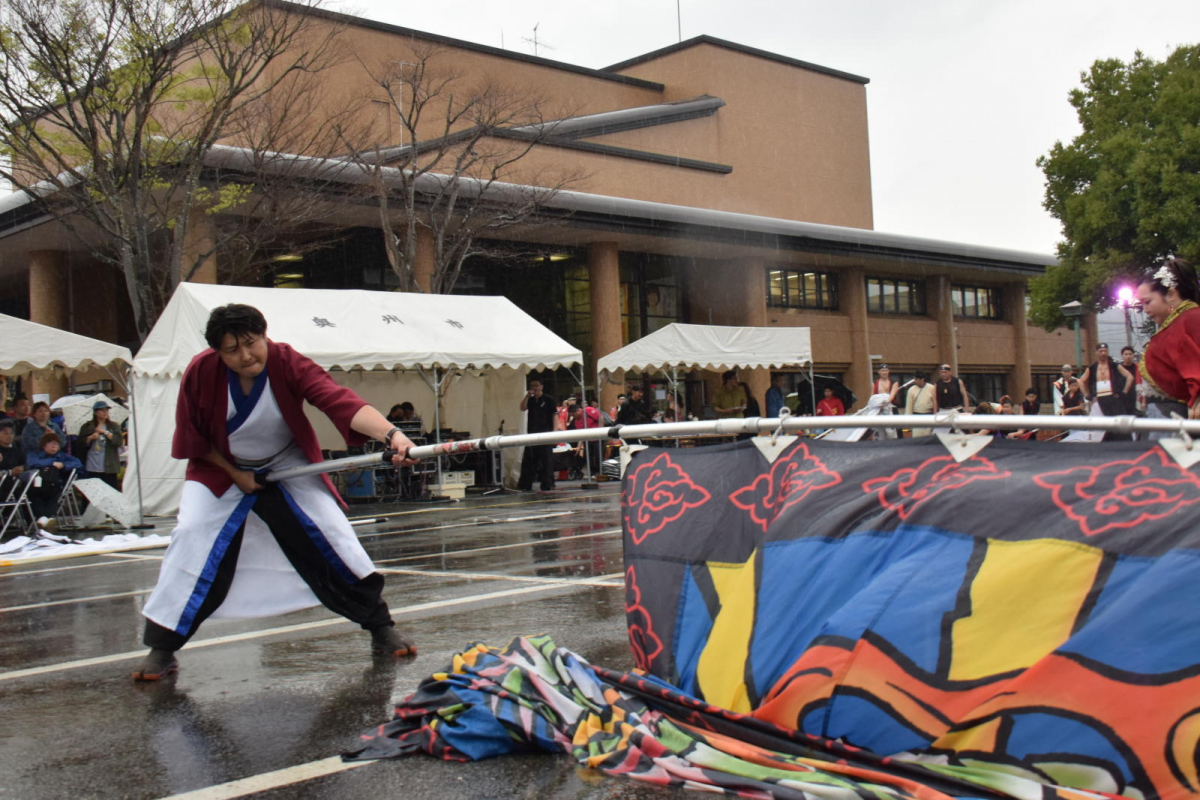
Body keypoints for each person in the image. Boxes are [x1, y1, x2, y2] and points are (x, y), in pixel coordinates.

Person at [134, 304, 421, 682]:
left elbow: (337, 399)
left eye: (251, 343)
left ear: (264, 336)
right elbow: (193, 438)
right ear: (217, 352)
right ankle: (163, 648)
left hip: (287, 463)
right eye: (231, 350)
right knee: (192, 536)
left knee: (333, 534)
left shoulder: (287, 361)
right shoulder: (201, 372)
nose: (245, 356)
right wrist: (235, 474)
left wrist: (392, 434)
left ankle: (380, 627)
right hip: (219, 468)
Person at [1135, 258, 1200, 427]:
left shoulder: (1190, 319)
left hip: (1176, 416)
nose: (1145, 310)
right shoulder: (1182, 320)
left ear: (1171, 294)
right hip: (1167, 414)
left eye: (1147, 302)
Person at [1078, 342, 1135, 439]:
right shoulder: (1092, 368)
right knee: (1097, 427)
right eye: (1101, 351)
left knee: (1118, 425)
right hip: (1098, 399)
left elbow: (1130, 377)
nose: (1103, 353)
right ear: (1096, 352)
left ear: (1108, 352)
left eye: (1105, 351)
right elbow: (1080, 381)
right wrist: (1087, 395)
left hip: (1113, 399)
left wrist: (1124, 392)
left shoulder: (1114, 365)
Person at [25, 431, 83, 521]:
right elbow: (32, 463)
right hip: (37, 485)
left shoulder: (62, 456)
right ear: (44, 445)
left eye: (56, 443)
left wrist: (63, 465)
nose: (54, 446)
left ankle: (44, 519)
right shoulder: (35, 454)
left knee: (54, 494)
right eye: (51, 443)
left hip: (55, 485)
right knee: (35, 494)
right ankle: (43, 519)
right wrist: (52, 463)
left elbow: (77, 463)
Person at [518, 379, 557, 491]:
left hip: (545, 432)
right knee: (529, 459)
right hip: (532, 433)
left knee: (546, 460)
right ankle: (525, 484)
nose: (534, 388)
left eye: (536, 385)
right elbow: (522, 408)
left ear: (541, 386)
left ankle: (547, 484)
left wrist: (555, 431)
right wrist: (527, 396)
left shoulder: (548, 399)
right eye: (532, 386)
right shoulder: (530, 400)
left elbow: (554, 414)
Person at [77, 400, 122, 490]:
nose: (105, 412)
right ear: (95, 412)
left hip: (109, 464)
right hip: (92, 464)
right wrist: (91, 437)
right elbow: (80, 444)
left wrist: (105, 432)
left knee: (111, 489)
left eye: (107, 410)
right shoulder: (87, 426)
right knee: (94, 490)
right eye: (102, 410)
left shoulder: (113, 426)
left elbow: (119, 441)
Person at [0, 419, 26, 503]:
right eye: (5, 433)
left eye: (11, 433)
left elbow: (26, 464)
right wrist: (10, 472)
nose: (9, 436)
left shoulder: (16, 450)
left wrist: (22, 468)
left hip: (14, 484)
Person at [903, 371, 936, 437]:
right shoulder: (911, 390)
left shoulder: (931, 388)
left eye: (917, 379)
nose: (915, 381)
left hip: (929, 416)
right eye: (914, 379)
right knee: (917, 437)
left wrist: (935, 416)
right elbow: (909, 407)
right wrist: (908, 422)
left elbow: (935, 402)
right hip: (917, 416)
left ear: (922, 379)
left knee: (929, 437)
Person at [1119, 345, 1142, 414]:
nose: (1128, 356)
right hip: (1122, 397)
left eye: (1130, 354)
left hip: (1135, 397)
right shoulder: (1118, 368)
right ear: (1122, 356)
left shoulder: (1138, 368)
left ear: (1133, 355)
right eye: (1126, 354)